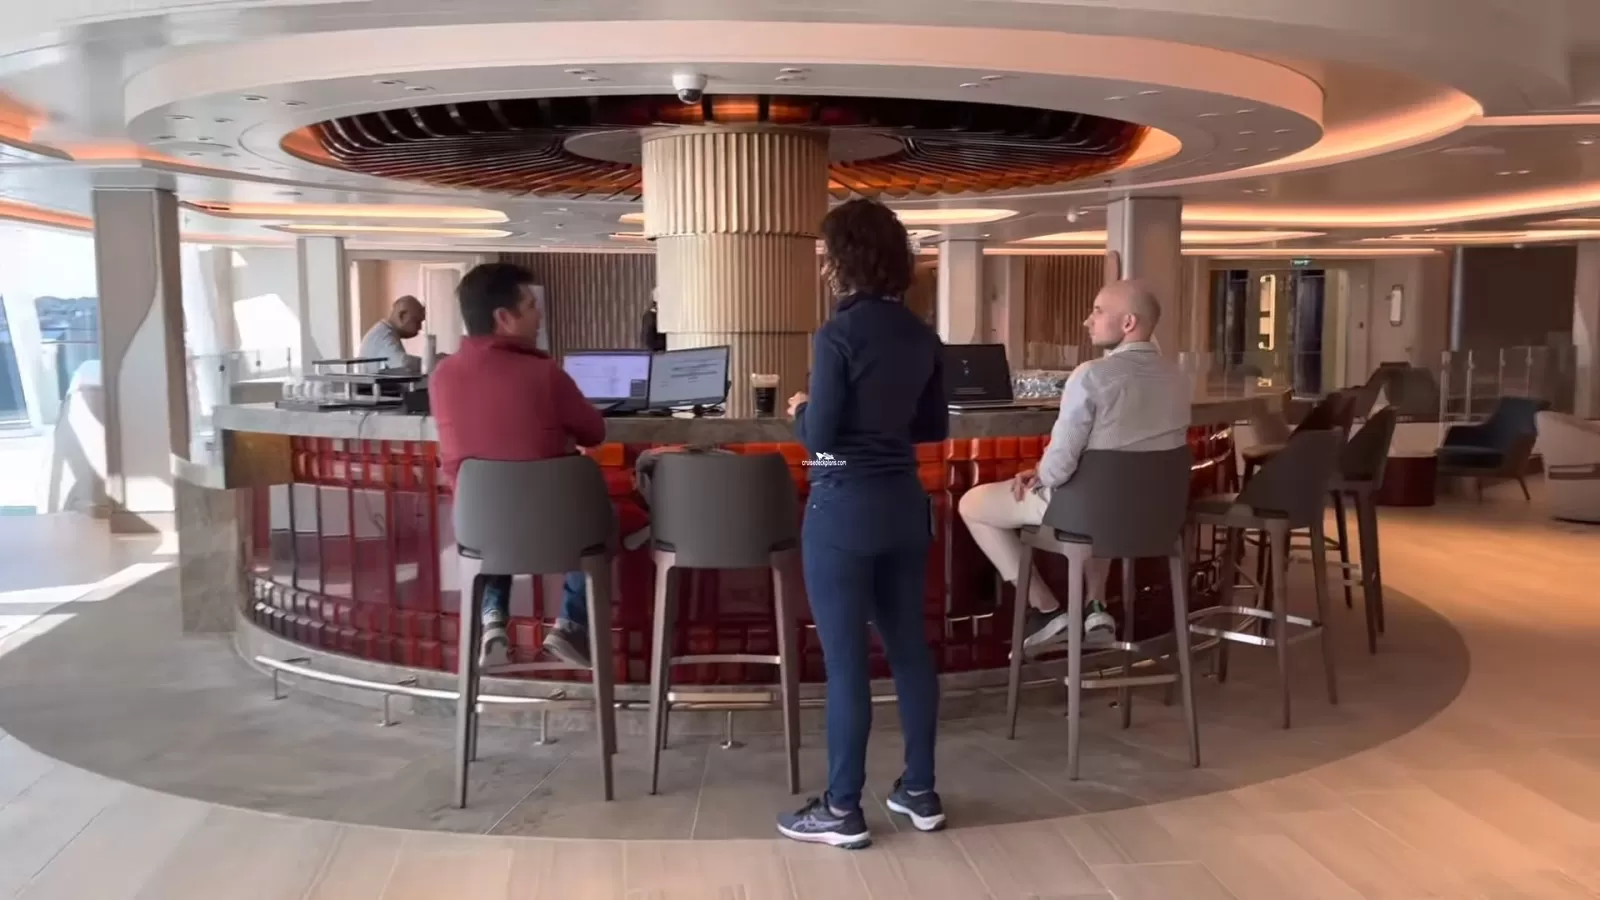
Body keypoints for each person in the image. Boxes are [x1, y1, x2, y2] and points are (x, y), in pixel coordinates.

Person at [775, 198, 948, 850]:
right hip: (904, 503)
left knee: (847, 664)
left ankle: (842, 808)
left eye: (827, 257)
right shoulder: (921, 335)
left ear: (845, 261)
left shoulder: (837, 335)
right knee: (910, 651)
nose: (824, 269)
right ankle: (920, 791)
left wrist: (801, 407)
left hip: (843, 507)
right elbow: (931, 426)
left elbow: (819, 439)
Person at [958, 279, 1190, 651]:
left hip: (1087, 514)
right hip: (1157, 516)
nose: (1087, 320)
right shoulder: (1177, 377)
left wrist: (1042, 472)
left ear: (1128, 322)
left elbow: (1058, 470)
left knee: (972, 504)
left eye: (1098, 311)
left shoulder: (1092, 375)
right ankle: (1095, 607)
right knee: (1112, 494)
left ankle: (1047, 610)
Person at [429, 263, 604, 669]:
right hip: (558, 534)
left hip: (476, 532)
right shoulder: (545, 373)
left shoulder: (442, 376)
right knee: (606, 517)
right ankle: (570, 625)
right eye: (530, 306)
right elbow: (595, 432)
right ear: (504, 317)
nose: (539, 314)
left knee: (498, 513)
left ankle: (493, 620)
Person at [359, 295, 426, 371]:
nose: (420, 327)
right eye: (417, 321)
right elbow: (402, 364)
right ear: (402, 316)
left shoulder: (384, 331)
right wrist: (430, 362)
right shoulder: (384, 335)